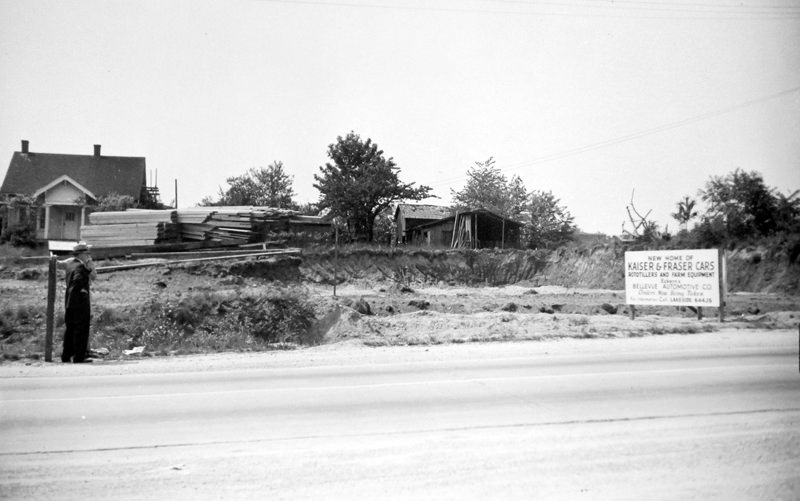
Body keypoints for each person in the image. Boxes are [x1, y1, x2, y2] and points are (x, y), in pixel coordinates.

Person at [61, 242, 97, 363]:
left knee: (70, 328)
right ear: (81, 254)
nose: (88, 256)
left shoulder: (71, 264)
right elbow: (78, 280)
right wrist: (82, 291)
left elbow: (93, 275)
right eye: (87, 253)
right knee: (81, 329)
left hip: (69, 298)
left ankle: (66, 356)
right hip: (80, 300)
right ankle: (79, 357)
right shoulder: (80, 267)